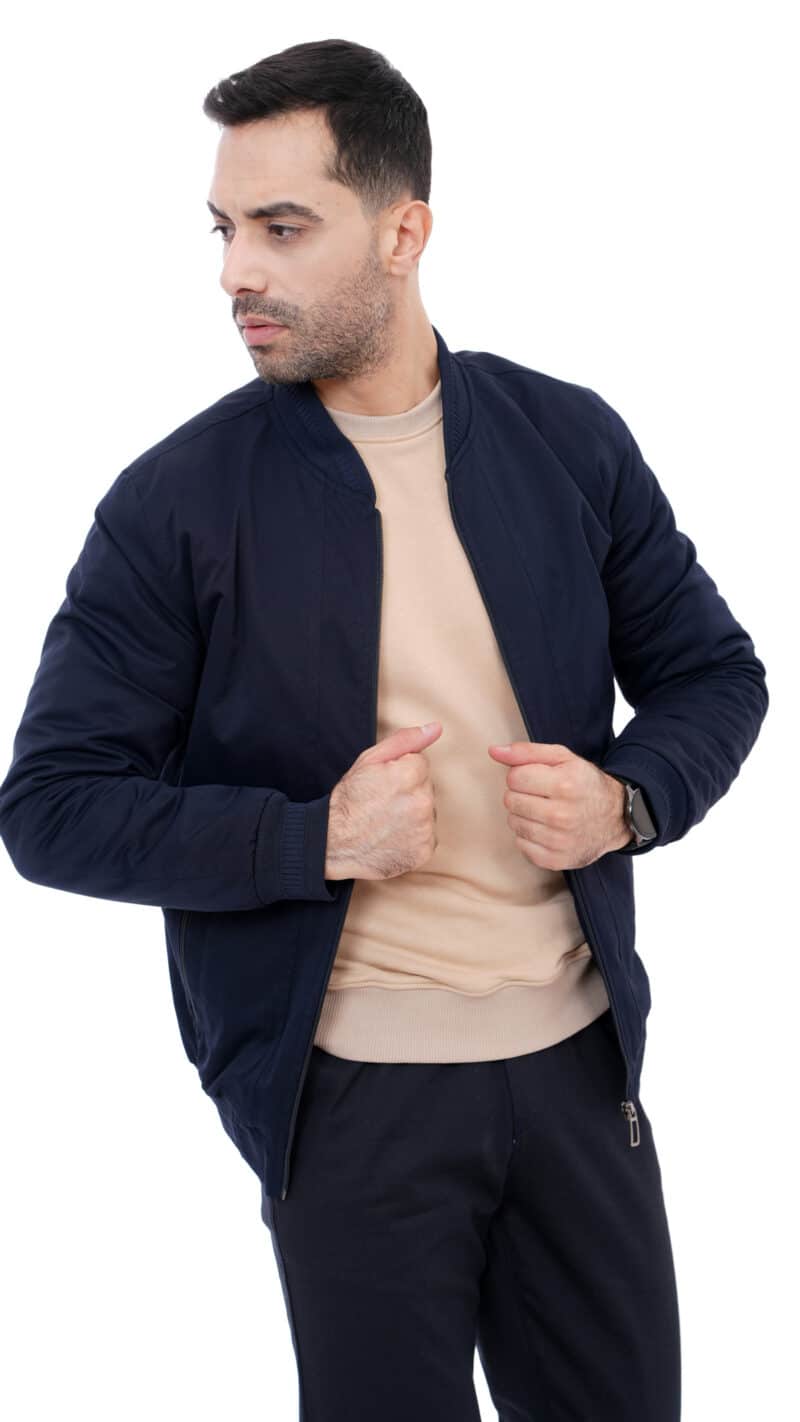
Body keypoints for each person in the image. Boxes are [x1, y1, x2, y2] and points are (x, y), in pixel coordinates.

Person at [0, 36, 768, 1422]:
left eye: (284, 228)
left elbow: (716, 674)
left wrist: (628, 798)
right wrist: (312, 839)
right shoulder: (176, 503)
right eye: (225, 229)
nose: (237, 271)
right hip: (352, 1098)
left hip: (580, 1071)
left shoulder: (567, 440)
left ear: (405, 233)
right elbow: (51, 807)